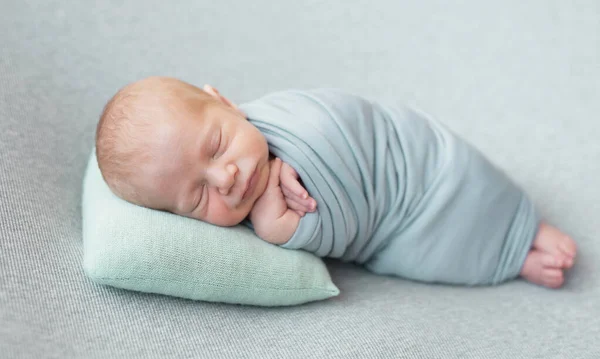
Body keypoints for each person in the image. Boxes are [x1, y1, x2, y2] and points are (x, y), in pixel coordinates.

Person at [95, 76, 577, 289]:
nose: (227, 178)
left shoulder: (283, 115)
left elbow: (349, 123)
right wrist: (278, 226)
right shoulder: (260, 216)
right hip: (394, 222)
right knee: (427, 251)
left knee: (460, 174)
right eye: (198, 196)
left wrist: (303, 162)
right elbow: (348, 233)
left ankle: (525, 224)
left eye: (218, 145)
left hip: (407, 156)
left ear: (224, 101)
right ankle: (510, 260)